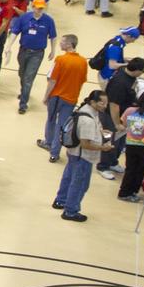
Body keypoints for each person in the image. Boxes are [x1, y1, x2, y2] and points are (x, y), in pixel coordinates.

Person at [52, 90, 111, 222]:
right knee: (80, 184)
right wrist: (103, 147)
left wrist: (100, 131)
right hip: (83, 156)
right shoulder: (88, 120)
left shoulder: (85, 110)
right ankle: (71, 211)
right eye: (102, 103)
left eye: (106, 103)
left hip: (74, 153)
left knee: (68, 178)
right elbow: (85, 144)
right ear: (93, 102)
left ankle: (61, 200)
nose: (104, 105)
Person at [99, 57, 144, 181]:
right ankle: (103, 166)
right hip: (112, 116)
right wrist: (116, 123)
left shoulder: (128, 75)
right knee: (110, 141)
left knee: (119, 142)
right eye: (142, 71)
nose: (141, 74)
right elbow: (113, 105)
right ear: (136, 70)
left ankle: (113, 162)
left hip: (123, 116)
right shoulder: (120, 83)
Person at [6, 0, 58, 113]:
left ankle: (23, 104)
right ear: (32, 7)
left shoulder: (48, 21)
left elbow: (53, 36)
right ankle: (24, 90)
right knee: (22, 73)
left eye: (41, 8)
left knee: (29, 78)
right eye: (37, 8)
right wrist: (9, 46)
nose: (39, 10)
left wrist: (53, 50)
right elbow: (15, 32)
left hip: (37, 53)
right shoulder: (24, 18)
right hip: (23, 51)